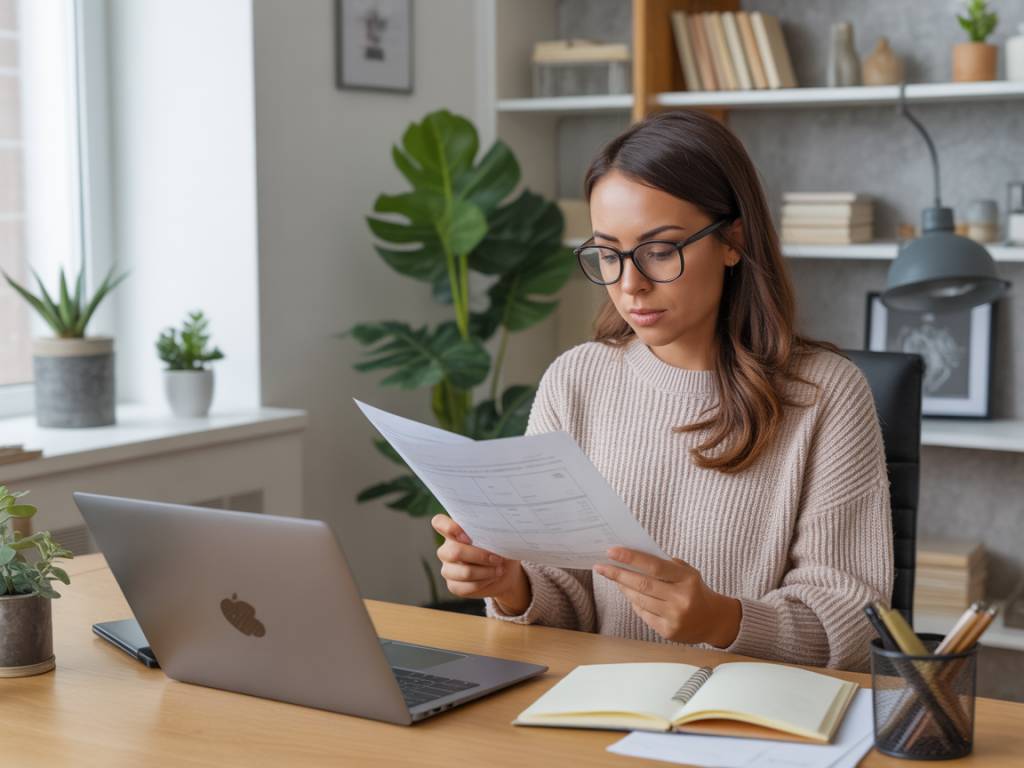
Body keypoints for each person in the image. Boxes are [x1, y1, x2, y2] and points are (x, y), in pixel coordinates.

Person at [432, 109, 892, 671]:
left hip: (750, 722)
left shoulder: (826, 395)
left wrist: (722, 621)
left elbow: (851, 620)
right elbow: (566, 597)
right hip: (597, 711)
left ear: (732, 241)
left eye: (659, 250)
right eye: (608, 254)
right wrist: (512, 584)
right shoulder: (576, 380)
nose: (630, 285)